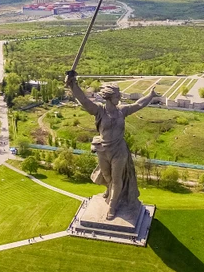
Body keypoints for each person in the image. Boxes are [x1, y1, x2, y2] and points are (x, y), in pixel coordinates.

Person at [65, 73, 156, 219]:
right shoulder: (99, 110)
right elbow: (83, 100)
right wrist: (72, 84)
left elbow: (138, 104)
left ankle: (112, 206)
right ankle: (109, 188)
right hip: (103, 149)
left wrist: (151, 95)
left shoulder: (122, 110)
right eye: (117, 95)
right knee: (107, 176)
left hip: (119, 150)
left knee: (117, 178)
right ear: (109, 96)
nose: (119, 98)